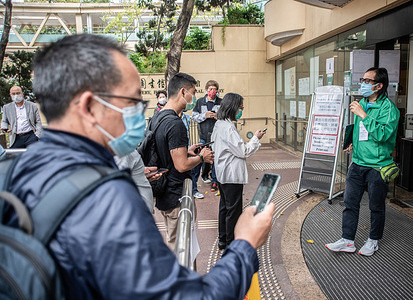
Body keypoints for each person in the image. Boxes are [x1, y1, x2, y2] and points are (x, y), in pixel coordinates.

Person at [2, 34, 275, 299]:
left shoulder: (16, 168)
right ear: (89, 107)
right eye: (132, 101)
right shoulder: (107, 199)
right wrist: (245, 244)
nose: (138, 111)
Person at [326, 67, 400, 256]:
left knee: (376, 206)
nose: (363, 84)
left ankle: (373, 240)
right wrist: (352, 142)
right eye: (363, 80)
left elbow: (383, 135)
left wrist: (363, 115)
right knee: (350, 203)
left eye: (368, 81)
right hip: (357, 163)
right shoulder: (363, 103)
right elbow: (363, 132)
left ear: (379, 85)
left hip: (378, 166)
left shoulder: (389, 109)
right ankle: (347, 240)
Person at [150, 72, 214, 250]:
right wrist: (202, 157)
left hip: (164, 192)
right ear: (183, 92)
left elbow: (167, 153)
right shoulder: (175, 123)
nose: (193, 97)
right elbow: (181, 165)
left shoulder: (157, 118)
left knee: (177, 243)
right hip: (176, 197)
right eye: (192, 92)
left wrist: (187, 151)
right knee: (180, 249)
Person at [211, 92, 266, 250]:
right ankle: (231, 244)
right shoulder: (228, 128)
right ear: (233, 107)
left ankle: (223, 240)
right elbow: (243, 151)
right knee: (233, 211)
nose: (241, 111)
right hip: (231, 175)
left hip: (222, 172)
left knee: (225, 207)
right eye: (240, 108)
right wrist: (256, 138)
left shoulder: (219, 124)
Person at [191, 80, 222, 197]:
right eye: (210, 89)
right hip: (203, 136)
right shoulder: (200, 102)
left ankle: (215, 181)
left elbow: (225, 118)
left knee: (216, 159)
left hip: (217, 137)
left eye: (214, 89)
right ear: (206, 90)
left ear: (217, 91)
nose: (212, 92)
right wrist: (204, 116)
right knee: (199, 159)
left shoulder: (221, 102)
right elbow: (193, 117)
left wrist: (217, 117)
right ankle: (194, 186)